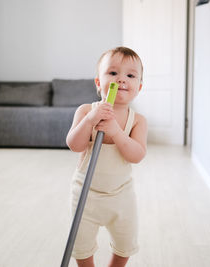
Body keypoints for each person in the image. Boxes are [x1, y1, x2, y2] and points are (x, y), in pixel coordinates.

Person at [66, 46, 147, 267]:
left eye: (130, 75)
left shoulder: (138, 120)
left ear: (138, 88)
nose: (121, 79)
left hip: (121, 196)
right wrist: (91, 120)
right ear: (98, 83)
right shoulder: (85, 111)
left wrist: (116, 132)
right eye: (113, 73)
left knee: (125, 244)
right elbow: (74, 145)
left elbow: (137, 155)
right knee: (80, 247)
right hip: (85, 193)